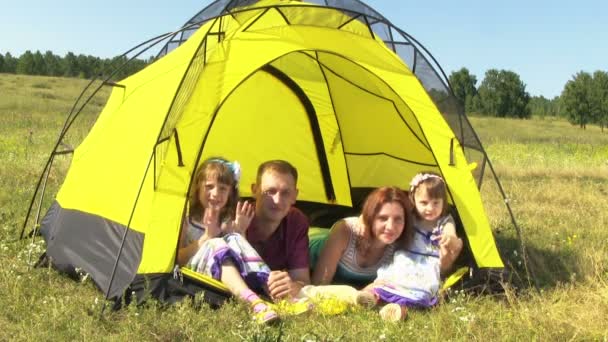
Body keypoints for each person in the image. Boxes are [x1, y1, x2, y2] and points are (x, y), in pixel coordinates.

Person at [177, 157, 277, 324]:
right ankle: (253, 302)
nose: (215, 193)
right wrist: (206, 237)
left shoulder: (228, 221)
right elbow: (178, 259)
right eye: (209, 187)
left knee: (234, 238)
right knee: (215, 243)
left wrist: (240, 231)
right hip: (194, 275)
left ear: (231, 193)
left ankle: (276, 295)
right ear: (197, 188)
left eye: (223, 188)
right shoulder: (187, 220)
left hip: (227, 277)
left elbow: (241, 257)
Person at [360, 171, 464, 321]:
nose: (430, 208)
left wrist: (449, 238)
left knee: (415, 290)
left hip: (427, 265)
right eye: (424, 203)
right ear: (413, 200)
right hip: (405, 258)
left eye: (436, 203)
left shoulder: (444, 221)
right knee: (385, 281)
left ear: (444, 202)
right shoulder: (411, 217)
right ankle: (366, 295)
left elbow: (452, 236)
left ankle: (398, 310)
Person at [311, 186, 410, 287]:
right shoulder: (345, 230)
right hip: (307, 249)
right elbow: (319, 285)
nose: (390, 227)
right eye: (383, 218)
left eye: (398, 219)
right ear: (370, 216)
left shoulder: (401, 246)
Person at [244, 160, 311, 301]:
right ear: (254, 190)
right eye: (270, 191)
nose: (277, 200)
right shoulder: (238, 217)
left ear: (295, 196)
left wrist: (292, 286)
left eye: (286, 193)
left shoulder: (296, 222)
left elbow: (302, 280)